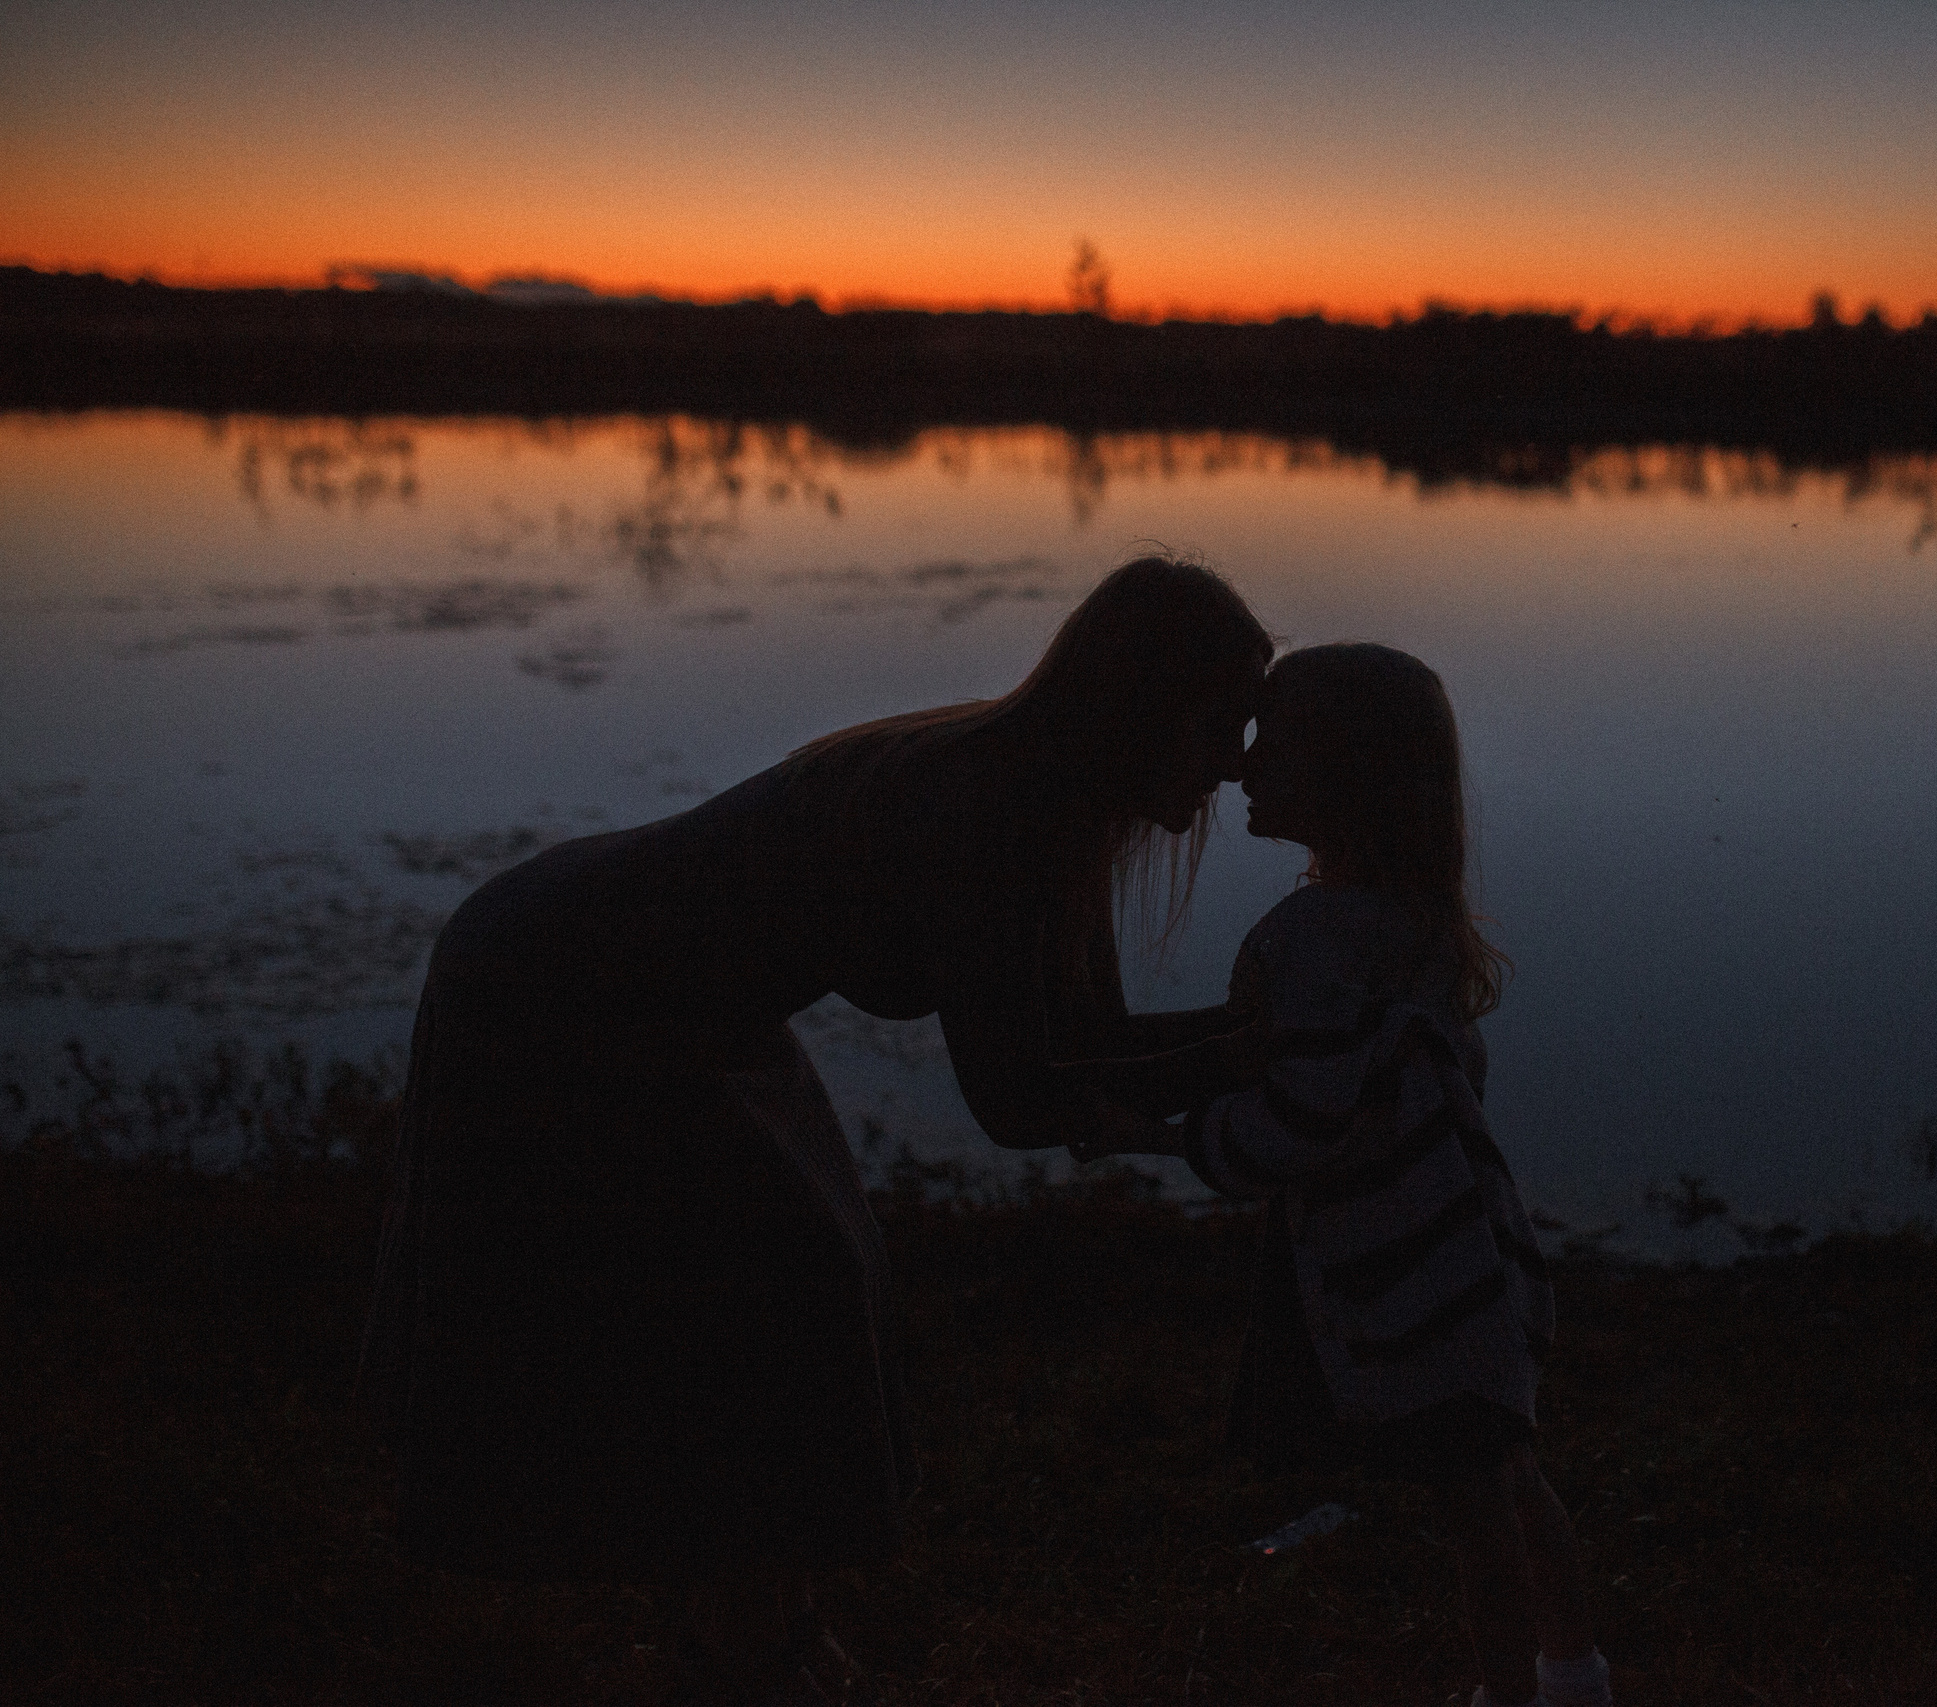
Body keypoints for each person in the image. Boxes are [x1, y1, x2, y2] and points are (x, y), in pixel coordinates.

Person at [357, 556, 1271, 1701]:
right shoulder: (991, 813)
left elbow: (1086, 1041)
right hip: (567, 985)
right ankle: (744, 1645)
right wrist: (1251, 1059)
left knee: (802, 1284)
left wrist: (1254, 1037)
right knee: (785, 1293)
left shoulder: (1046, 802)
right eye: (1220, 725)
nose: (1237, 763)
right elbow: (1018, 1100)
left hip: (674, 993)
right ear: (1140, 708)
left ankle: (756, 1629)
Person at [1066, 642, 1612, 1707]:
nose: (1241, 765)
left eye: (1274, 745)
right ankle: (1574, 1672)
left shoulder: (1312, 937)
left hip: (1409, 1275)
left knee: (1476, 1507)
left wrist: (1153, 1136)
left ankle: (1516, 1693)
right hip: (1473, 1252)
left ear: (1347, 777)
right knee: (1508, 1472)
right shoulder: (1414, 924)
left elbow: (1299, 1126)